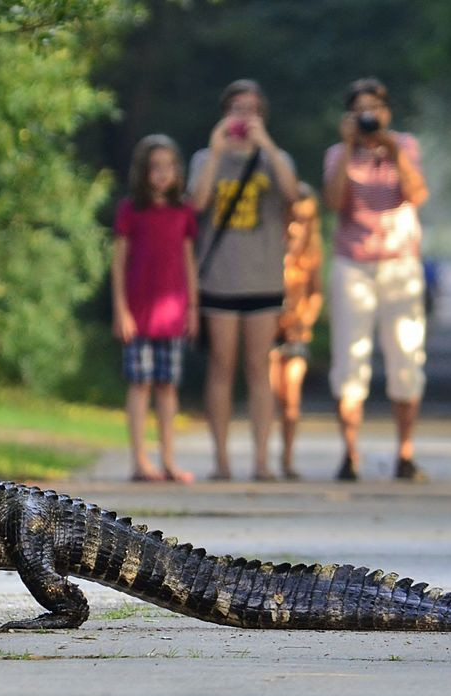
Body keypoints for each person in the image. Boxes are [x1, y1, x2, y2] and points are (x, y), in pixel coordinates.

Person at [188, 79, 301, 481]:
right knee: (221, 367)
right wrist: (218, 151)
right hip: (219, 280)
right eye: (236, 107)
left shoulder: (277, 158)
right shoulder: (205, 158)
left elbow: (292, 197)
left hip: (264, 281)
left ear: (262, 116)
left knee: (259, 369)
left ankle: (261, 461)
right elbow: (197, 204)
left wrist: (266, 145)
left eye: (251, 108)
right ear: (223, 112)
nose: (243, 115)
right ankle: (220, 460)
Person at [323, 77, 430, 483]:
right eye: (361, 111)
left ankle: (405, 453)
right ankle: (350, 454)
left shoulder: (406, 146)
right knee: (349, 360)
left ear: (387, 113)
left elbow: (417, 194)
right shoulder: (338, 153)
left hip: (400, 264)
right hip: (354, 264)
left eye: (375, 110)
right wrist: (350, 148)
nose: (369, 117)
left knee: (406, 358)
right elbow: (333, 202)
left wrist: (393, 151)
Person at [111, 134, 200, 483]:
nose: (162, 174)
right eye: (155, 168)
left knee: (167, 387)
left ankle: (168, 459)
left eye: (169, 167)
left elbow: (189, 261)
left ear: (178, 171)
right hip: (138, 312)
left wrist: (193, 307)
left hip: (173, 314)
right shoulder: (130, 210)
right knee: (140, 384)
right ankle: (139, 461)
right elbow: (118, 263)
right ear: (143, 172)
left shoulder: (184, 211)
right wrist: (121, 310)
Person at [269, 183, 324, 480]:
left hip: (296, 334)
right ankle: (262, 456)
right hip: (267, 333)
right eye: (290, 218)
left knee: (290, 399)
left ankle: (287, 457)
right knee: (267, 394)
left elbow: (317, 293)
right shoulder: (269, 250)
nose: (294, 227)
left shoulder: (311, 254)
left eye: (302, 221)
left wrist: (306, 319)